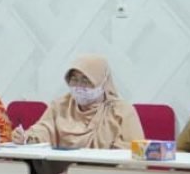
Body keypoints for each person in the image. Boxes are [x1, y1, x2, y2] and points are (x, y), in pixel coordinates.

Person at [12, 54, 144, 149]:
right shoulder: (60, 106)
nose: (79, 86)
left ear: (102, 82)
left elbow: (132, 151)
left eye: (86, 80)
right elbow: (44, 129)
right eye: (74, 79)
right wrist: (27, 138)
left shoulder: (121, 111)